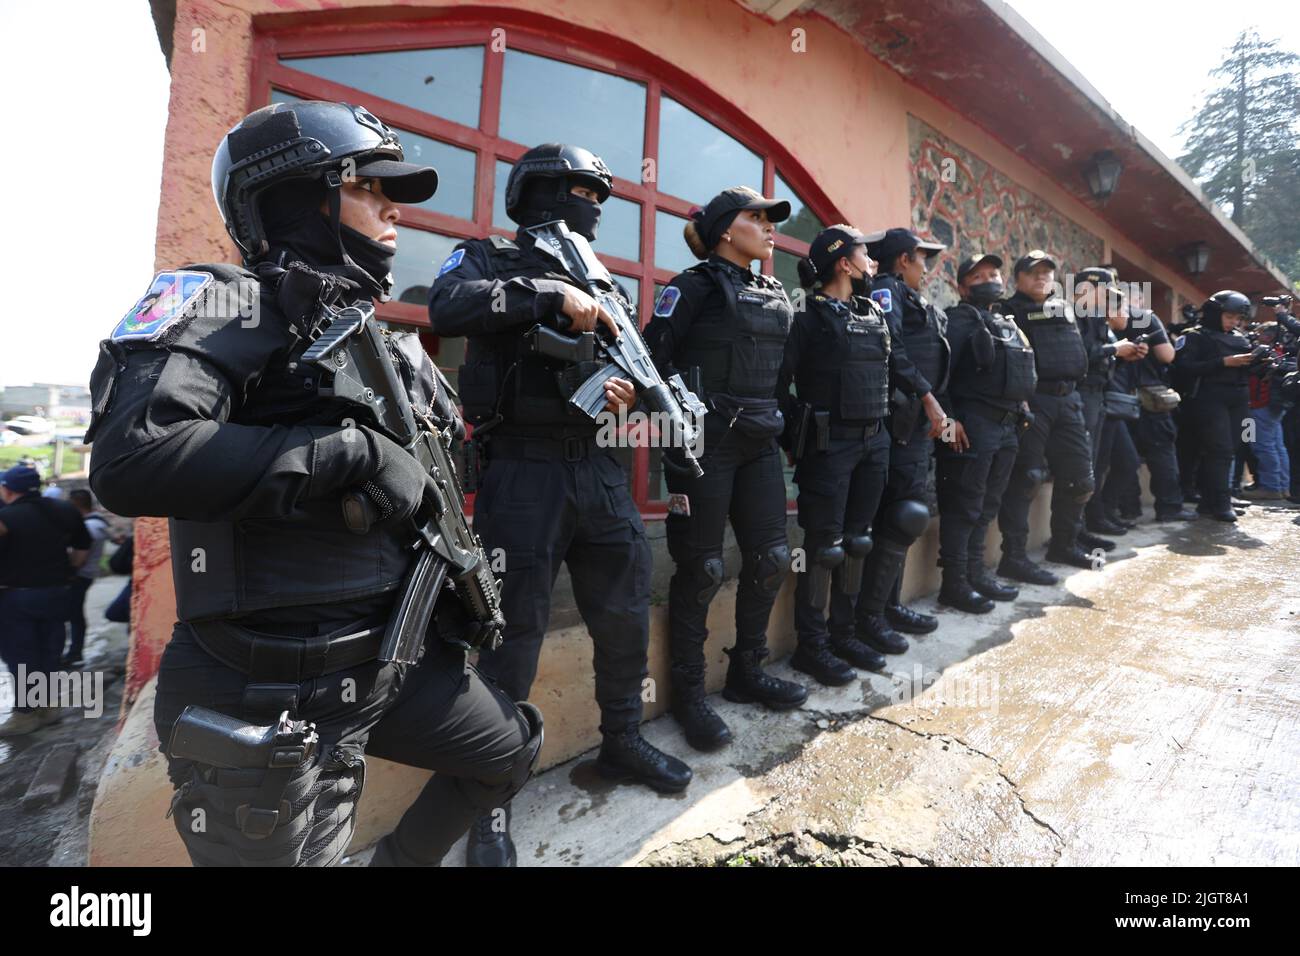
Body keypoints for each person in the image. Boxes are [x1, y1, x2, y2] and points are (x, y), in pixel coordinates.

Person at [86, 100, 543, 867]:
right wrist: (350, 452)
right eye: (370, 186)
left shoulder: (392, 349)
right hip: (262, 687)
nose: (396, 208)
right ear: (298, 194)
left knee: (512, 749)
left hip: (393, 666)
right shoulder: (223, 299)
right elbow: (134, 457)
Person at [429, 143, 691, 866]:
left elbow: (630, 375)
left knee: (624, 614)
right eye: (584, 192)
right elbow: (443, 306)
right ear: (540, 191)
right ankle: (488, 798)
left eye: (601, 197)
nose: (596, 206)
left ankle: (624, 740)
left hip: (601, 471)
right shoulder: (484, 259)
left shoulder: (605, 283)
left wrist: (627, 391)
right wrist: (545, 297)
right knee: (509, 640)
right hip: (524, 473)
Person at [644, 186, 809, 752]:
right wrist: (678, 431)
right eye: (756, 218)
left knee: (771, 559)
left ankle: (746, 671)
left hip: (760, 444)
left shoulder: (774, 293)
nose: (769, 229)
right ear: (723, 231)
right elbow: (651, 365)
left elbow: (781, 376)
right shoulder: (689, 289)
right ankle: (689, 697)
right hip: (705, 447)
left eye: (771, 220)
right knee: (703, 569)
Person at [777, 225, 894, 685]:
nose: (873, 262)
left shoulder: (870, 310)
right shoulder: (806, 313)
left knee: (858, 540)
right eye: (865, 253)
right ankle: (812, 646)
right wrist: (799, 432)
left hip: (873, 439)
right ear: (844, 262)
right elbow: (777, 383)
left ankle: (843, 634)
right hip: (829, 445)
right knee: (823, 548)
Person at [854, 227, 955, 651]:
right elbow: (891, 347)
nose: (927, 268)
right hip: (898, 422)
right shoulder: (888, 290)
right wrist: (928, 398)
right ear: (902, 259)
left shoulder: (911, 296)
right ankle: (870, 617)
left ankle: (887, 606)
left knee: (902, 518)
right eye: (921, 258)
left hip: (915, 423)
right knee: (898, 517)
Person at [935, 253, 1036, 612]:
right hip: (972, 423)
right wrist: (949, 419)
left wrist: (1022, 406)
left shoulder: (1002, 320)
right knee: (965, 504)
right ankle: (955, 583)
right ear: (962, 286)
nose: (990, 280)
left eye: (994, 273)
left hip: (1007, 424)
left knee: (987, 504)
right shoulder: (959, 320)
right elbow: (939, 374)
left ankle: (976, 573)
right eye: (979, 276)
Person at [995, 251, 1095, 582]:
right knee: (1027, 478)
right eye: (1033, 272)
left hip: (1068, 401)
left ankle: (1064, 544)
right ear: (1018, 278)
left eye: (1047, 272)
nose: (1041, 278)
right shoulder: (1006, 311)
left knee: (1080, 479)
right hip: (1031, 403)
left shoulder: (1066, 309)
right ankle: (1014, 557)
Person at [0, 465, 90, 737]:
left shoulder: (5, 518)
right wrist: (70, 572)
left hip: (17, 597)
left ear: (7, 489)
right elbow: (83, 548)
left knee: (21, 655)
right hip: (58, 592)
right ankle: (48, 707)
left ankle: (26, 715)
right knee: (50, 651)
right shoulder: (65, 510)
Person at [1072, 268, 1146, 550]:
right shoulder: (1074, 315)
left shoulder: (1096, 318)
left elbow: (1101, 355)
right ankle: (1072, 534)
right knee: (1082, 466)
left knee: (1096, 463)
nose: (1110, 299)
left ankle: (1085, 525)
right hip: (1081, 395)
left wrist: (1127, 353)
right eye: (1106, 292)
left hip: (1098, 395)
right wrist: (1116, 350)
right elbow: (1080, 356)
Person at [1171, 290, 1255, 521]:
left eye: (1238, 318)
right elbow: (1183, 368)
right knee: (1220, 450)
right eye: (1229, 317)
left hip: (1237, 398)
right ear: (1215, 313)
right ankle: (1220, 503)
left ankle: (1211, 502)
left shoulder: (1240, 337)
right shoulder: (1194, 336)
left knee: (1232, 449)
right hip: (1208, 398)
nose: (1234, 322)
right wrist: (1222, 363)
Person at [1115, 297, 1197, 522]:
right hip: (1149, 395)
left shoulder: (1094, 316)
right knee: (1161, 451)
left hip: (1115, 395)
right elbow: (1167, 355)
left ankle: (1128, 509)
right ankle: (1169, 506)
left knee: (1124, 454)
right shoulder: (1145, 317)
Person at [1241, 322, 1292, 500]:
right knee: (1277, 447)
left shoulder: (1266, 353)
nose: (1257, 335)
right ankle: (1283, 486)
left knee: (1263, 447)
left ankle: (1270, 487)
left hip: (1262, 405)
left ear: (1270, 335)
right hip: (1275, 407)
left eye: (1261, 333)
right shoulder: (1281, 353)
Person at [64, 489, 110, 667]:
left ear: (76, 503)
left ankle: (75, 653)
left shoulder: (91, 526)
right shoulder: (96, 523)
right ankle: (74, 651)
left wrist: (70, 569)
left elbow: (81, 555)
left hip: (80, 575)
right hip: (85, 574)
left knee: (73, 615)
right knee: (74, 614)